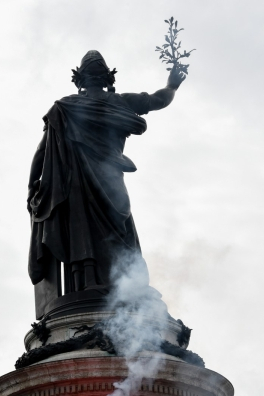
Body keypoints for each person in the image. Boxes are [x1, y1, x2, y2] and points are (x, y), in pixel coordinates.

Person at [27, 50, 185, 304]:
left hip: (76, 184)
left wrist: (31, 187)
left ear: (78, 80)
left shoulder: (64, 108)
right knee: (119, 229)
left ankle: (88, 281)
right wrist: (172, 85)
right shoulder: (120, 102)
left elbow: (41, 152)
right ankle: (128, 283)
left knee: (83, 230)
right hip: (110, 180)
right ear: (108, 77)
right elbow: (159, 100)